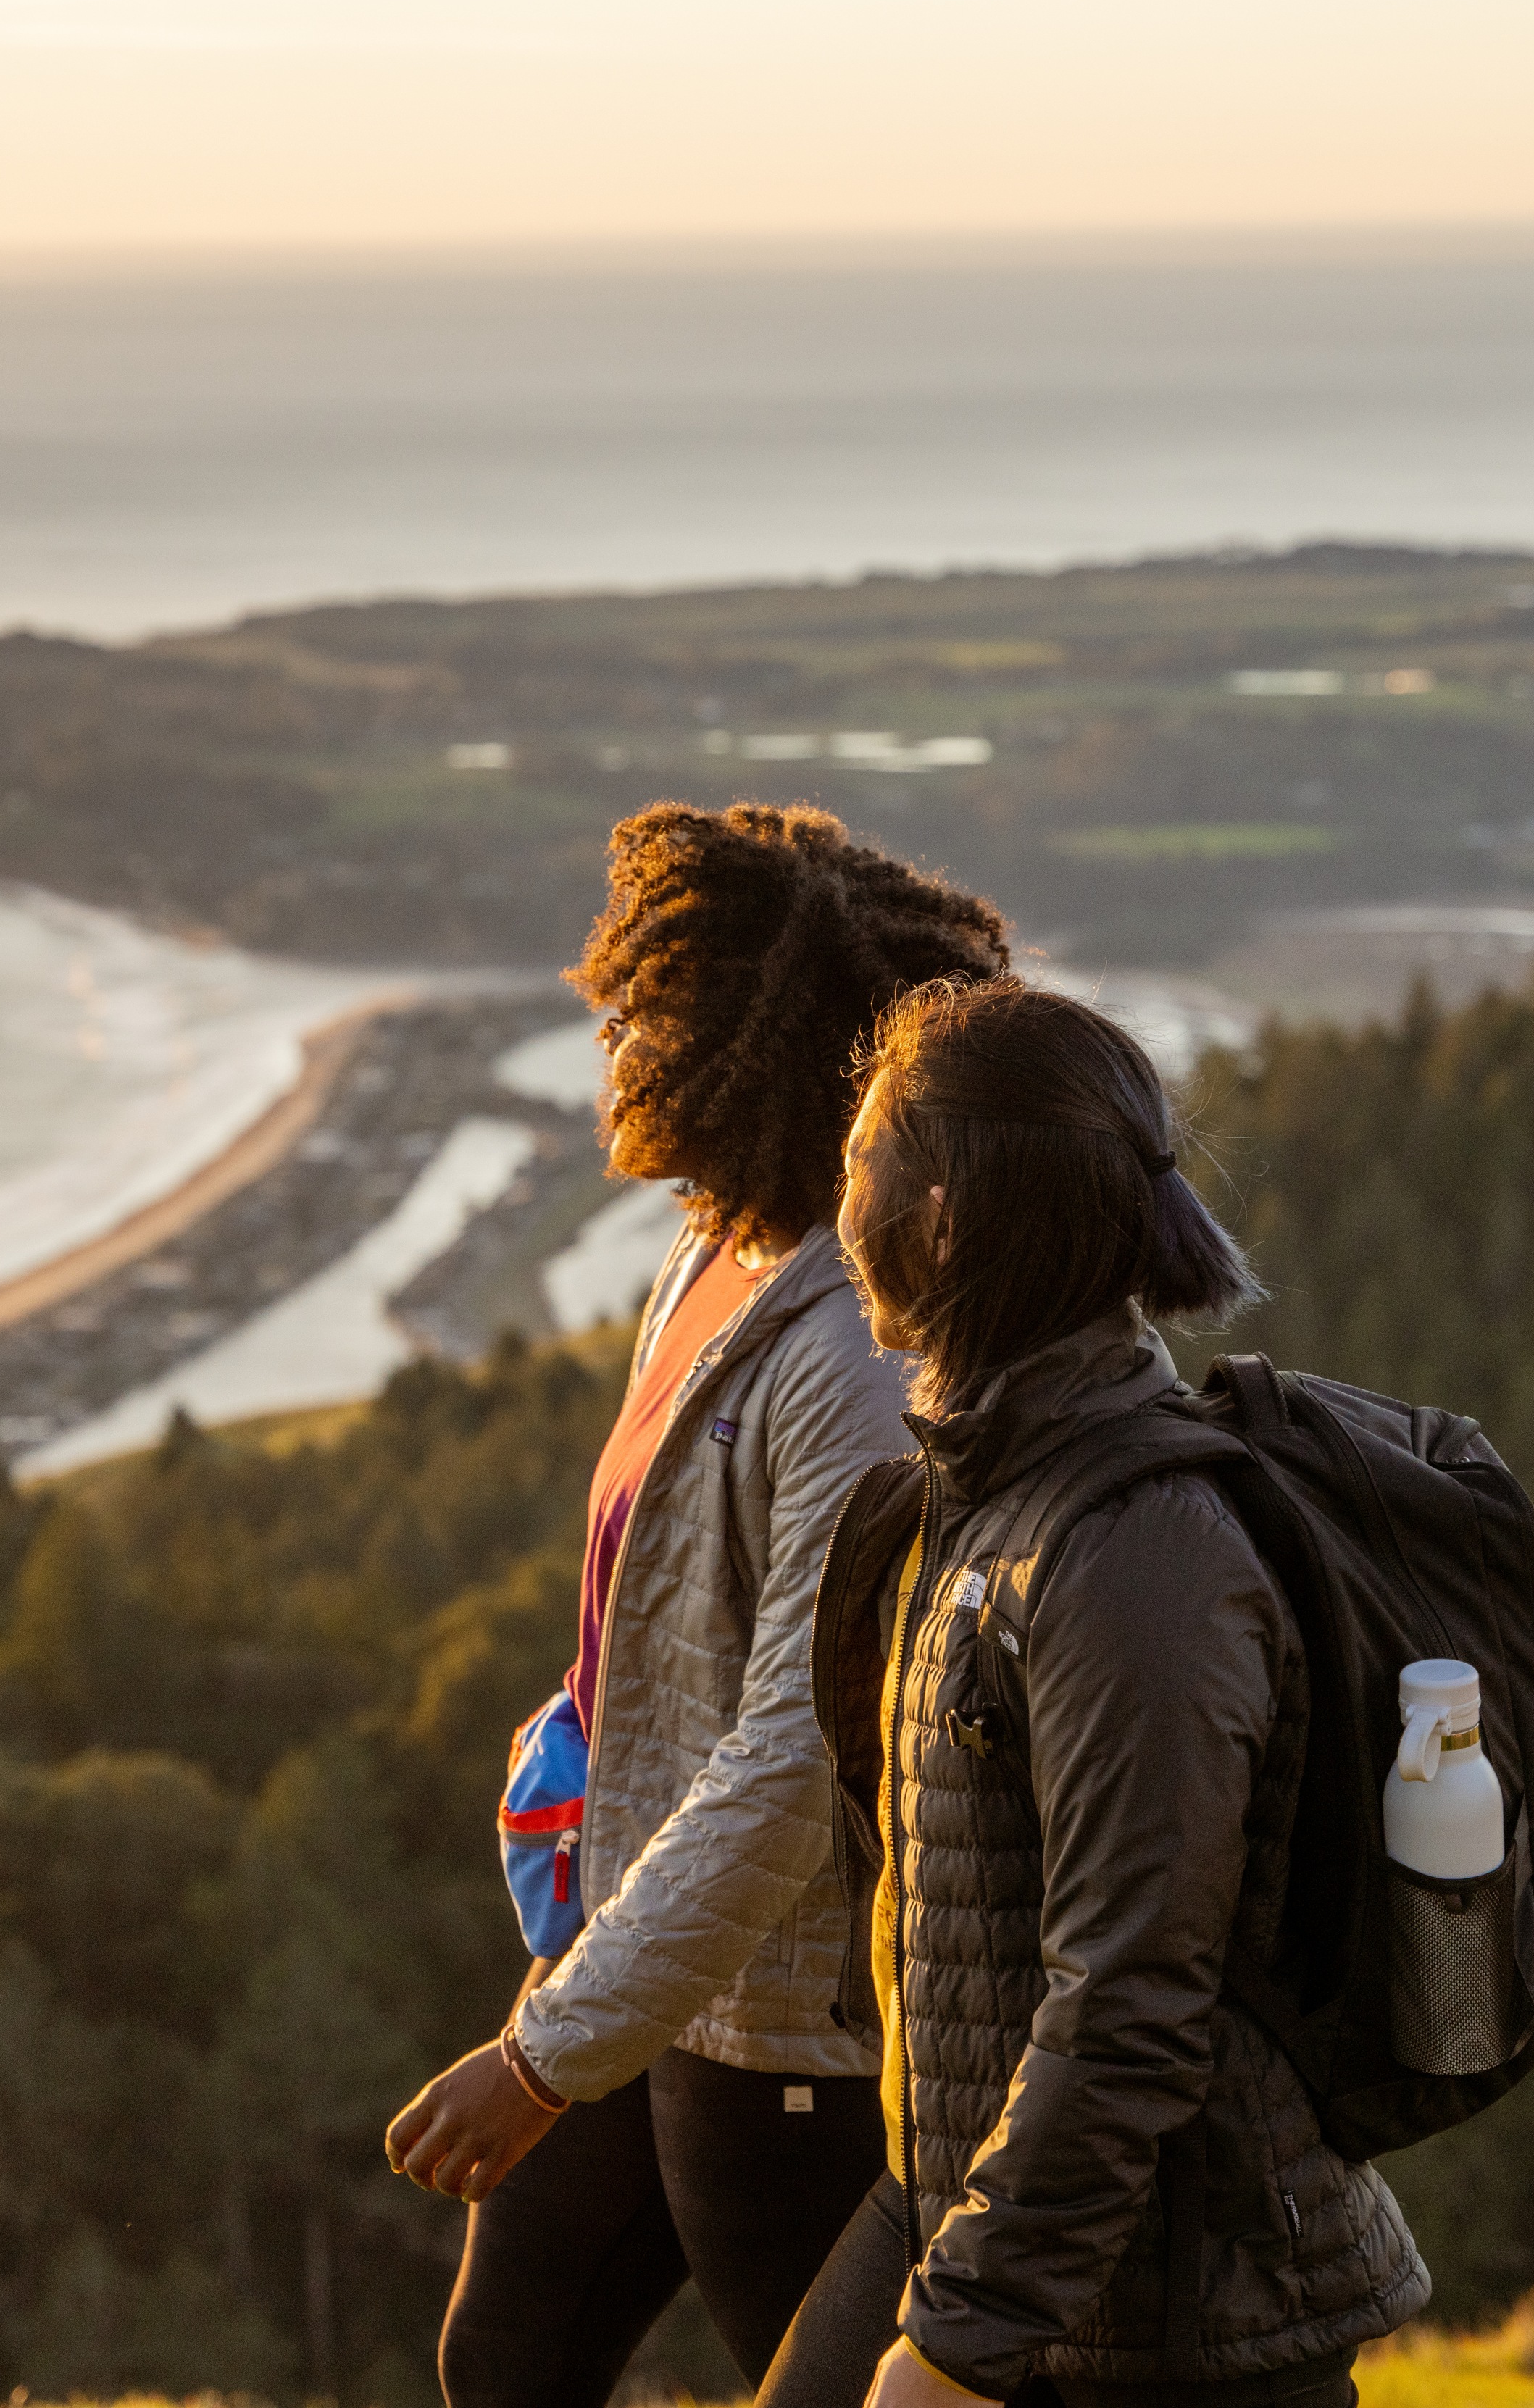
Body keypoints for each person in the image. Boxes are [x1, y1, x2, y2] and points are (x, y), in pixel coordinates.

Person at [386, 803, 1014, 2406]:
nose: (610, 1036)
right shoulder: (707, 1244)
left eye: (645, 1009)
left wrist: (538, 2058)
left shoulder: (851, 1359)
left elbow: (793, 1765)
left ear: (751, 1046)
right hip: (639, 1946)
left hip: (790, 2025)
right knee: (507, 2357)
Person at [763, 981, 1433, 2408]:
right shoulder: (983, 1496)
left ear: (939, 1214)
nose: (842, 1210)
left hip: (1179, 2312)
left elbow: (1128, 1991)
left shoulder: (1135, 1551)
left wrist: (960, 2339)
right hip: (979, 2215)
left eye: (858, 1164)